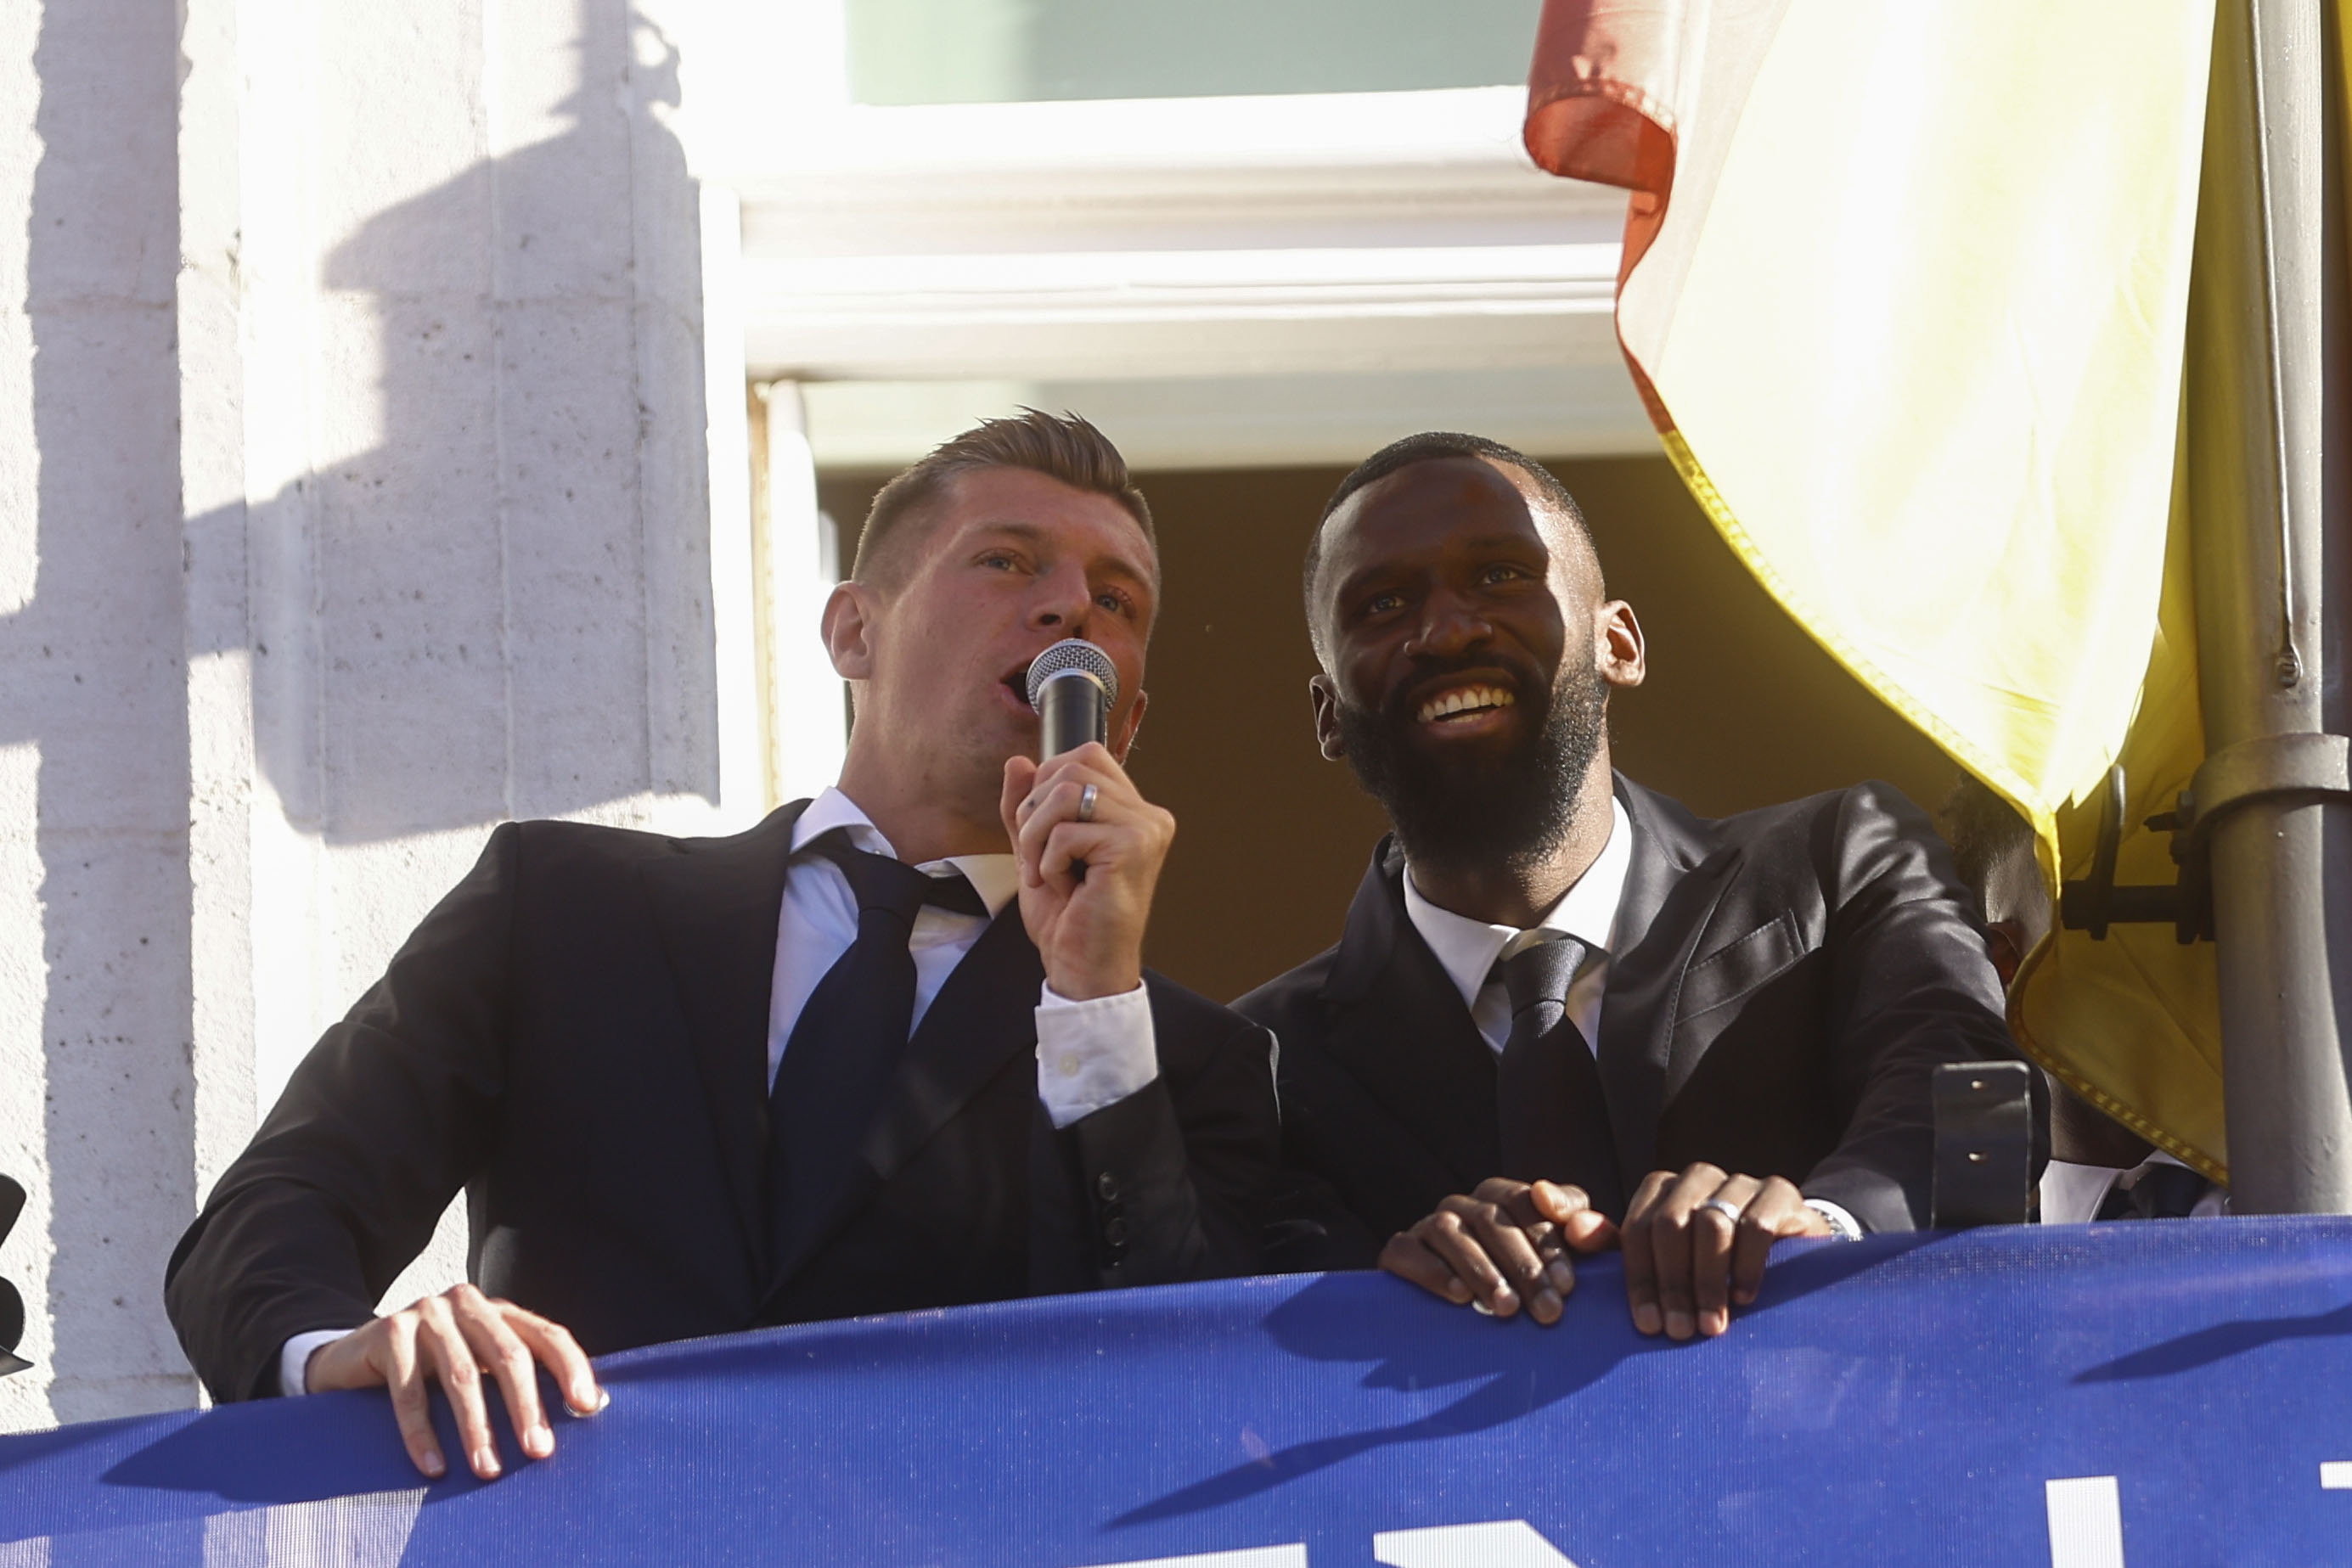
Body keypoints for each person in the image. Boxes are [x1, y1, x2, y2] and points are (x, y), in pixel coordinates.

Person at [167, 411, 1307, 1481]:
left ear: (1128, 715)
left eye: (1118, 599)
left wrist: (1093, 999)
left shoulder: (1189, 1055)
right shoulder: (563, 907)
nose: (1071, 607)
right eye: (1008, 561)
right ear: (852, 628)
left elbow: (1193, 1385)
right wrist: (335, 1350)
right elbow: (284, 1203)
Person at [1236, 431, 2039, 1344]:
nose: (1449, 629)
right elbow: (1254, 1327)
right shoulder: (1256, 1060)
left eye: (1501, 575)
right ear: (1327, 713)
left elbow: (1973, 1098)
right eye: (1381, 603)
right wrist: (1384, 1286)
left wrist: (1814, 1229)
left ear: (1618, 641)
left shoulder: (1842, 860)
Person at [1936, 774, 2225, 1223]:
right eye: (2099, 876)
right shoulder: (1962, 1271)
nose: (2169, 908)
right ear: (2003, 959)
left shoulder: (2327, 1198)